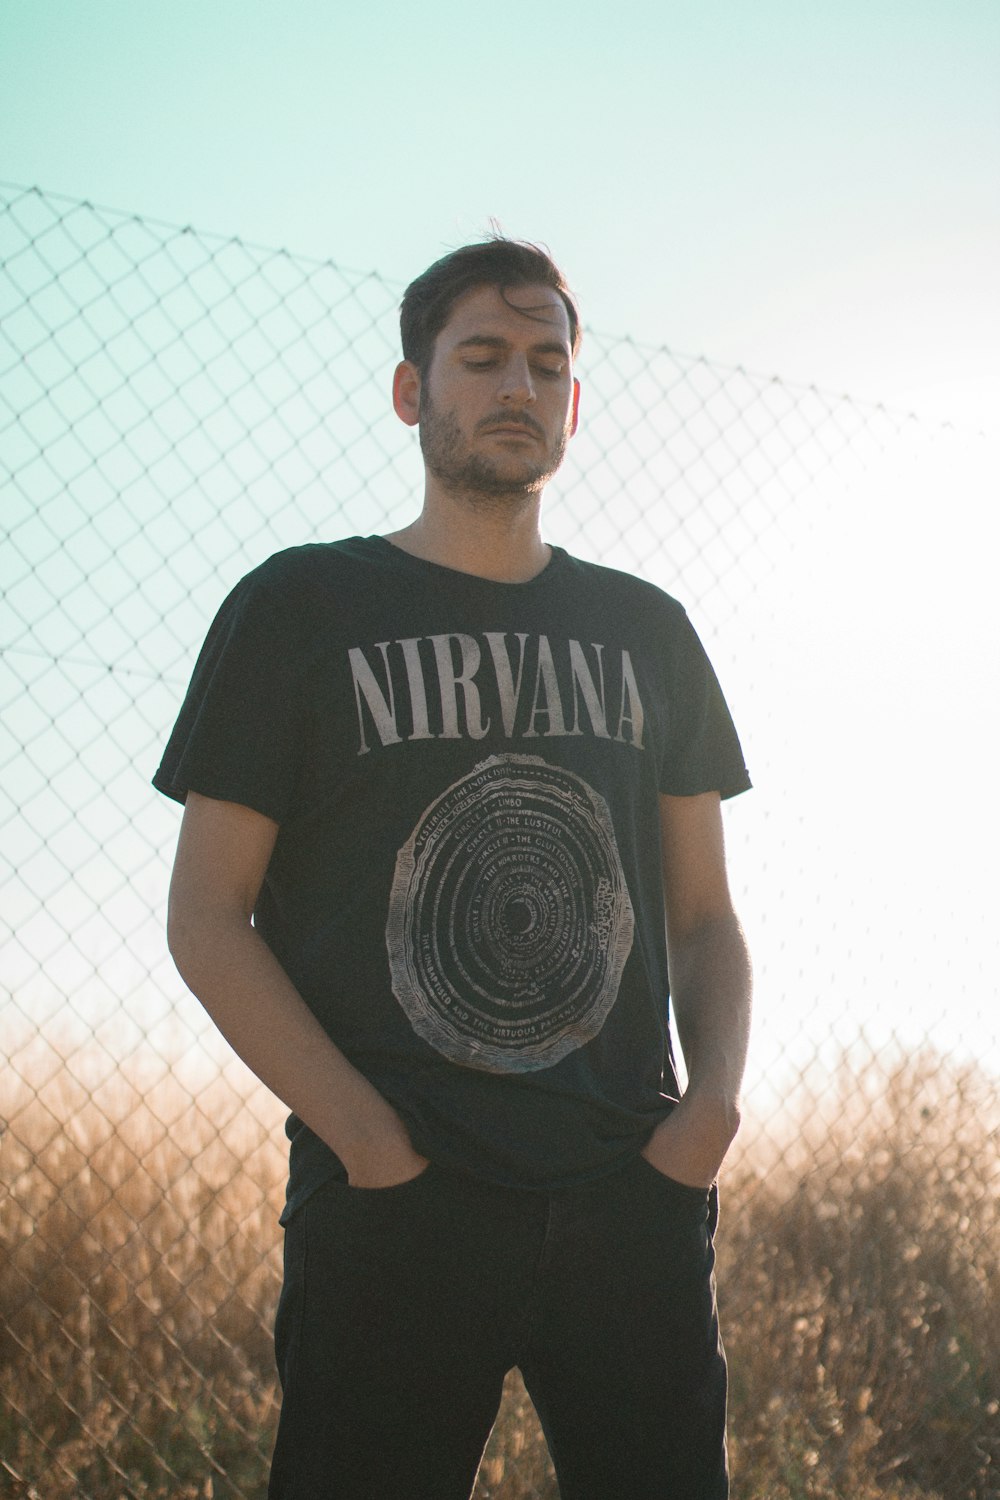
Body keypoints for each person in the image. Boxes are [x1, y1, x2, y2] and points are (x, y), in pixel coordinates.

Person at [154, 236, 753, 1500]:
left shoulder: (647, 630)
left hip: (627, 1188)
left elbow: (702, 918)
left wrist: (707, 1115)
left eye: (546, 364)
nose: (517, 387)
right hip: (398, 1203)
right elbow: (208, 919)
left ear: (575, 406)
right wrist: (368, 1140)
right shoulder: (301, 609)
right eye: (480, 357)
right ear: (410, 390)